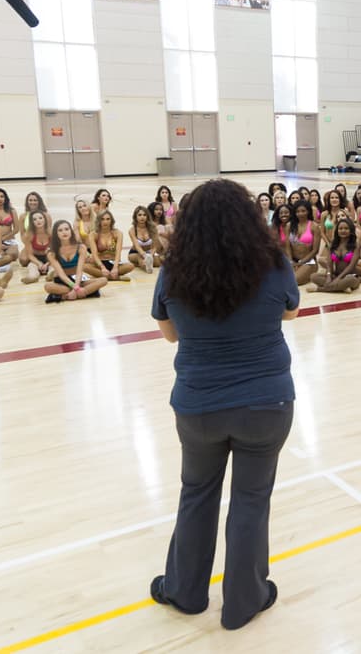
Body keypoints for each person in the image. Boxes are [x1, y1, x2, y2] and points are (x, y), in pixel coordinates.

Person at [149, 179, 297, 631]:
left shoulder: (174, 271)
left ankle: (185, 591)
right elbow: (289, 312)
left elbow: (170, 334)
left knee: (197, 493)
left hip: (199, 404)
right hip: (267, 402)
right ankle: (244, 601)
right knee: (251, 500)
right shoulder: (274, 264)